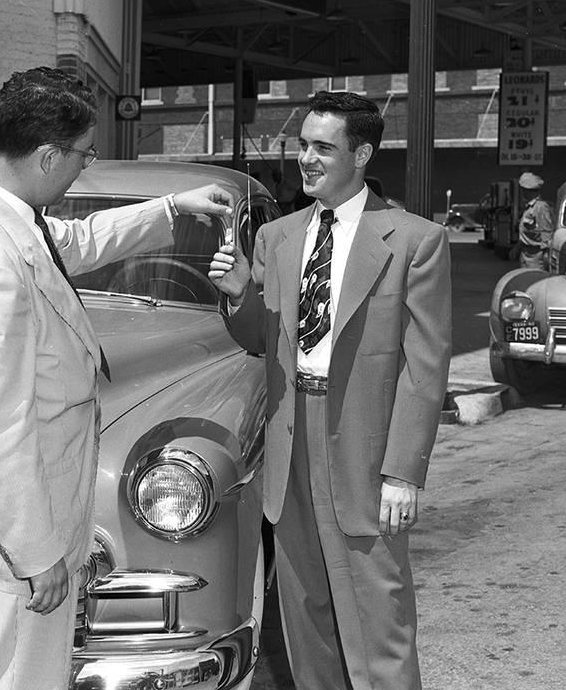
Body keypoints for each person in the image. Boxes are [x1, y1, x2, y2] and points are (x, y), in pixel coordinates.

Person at [0, 67, 232, 690]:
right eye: (83, 156)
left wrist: (172, 208)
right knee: (20, 676)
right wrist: (37, 556)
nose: (84, 168)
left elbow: (78, 240)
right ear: (47, 156)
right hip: (23, 525)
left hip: (32, 506)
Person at [208, 91, 451, 690]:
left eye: (323, 147)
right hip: (290, 442)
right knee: (304, 616)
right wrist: (240, 292)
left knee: (379, 616)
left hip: (365, 448)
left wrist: (403, 473)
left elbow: (426, 367)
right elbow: (261, 340)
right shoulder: (278, 238)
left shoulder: (416, 240)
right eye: (303, 145)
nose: (307, 159)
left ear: (362, 153)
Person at [517, 171, 554, 270]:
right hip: (525, 254)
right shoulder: (528, 207)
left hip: (536, 256)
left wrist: (546, 256)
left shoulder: (541, 207)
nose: (523, 193)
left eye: (524, 190)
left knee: (535, 282)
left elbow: (546, 232)